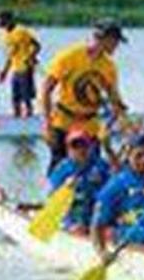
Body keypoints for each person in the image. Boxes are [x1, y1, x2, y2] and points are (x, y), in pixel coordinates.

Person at [39, 20, 128, 173]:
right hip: (63, 122)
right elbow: (46, 90)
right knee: (59, 168)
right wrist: (47, 125)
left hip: (90, 125)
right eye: (115, 42)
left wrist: (123, 121)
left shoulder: (109, 66)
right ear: (104, 38)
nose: (117, 46)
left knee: (93, 170)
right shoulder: (69, 57)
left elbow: (114, 97)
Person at [46, 127, 111, 235]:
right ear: (68, 149)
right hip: (73, 217)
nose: (80, 149)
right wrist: (69, 225)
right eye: (75, 146)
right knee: (77, 228)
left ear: (90, 146)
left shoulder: (101, 165)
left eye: (84, 145)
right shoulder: (61, 170)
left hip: (96, 216)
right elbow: (53, 200)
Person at [0, 10, 41, 118]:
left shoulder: (21, 31)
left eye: (1, 20)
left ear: (9, 20)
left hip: (25, 67)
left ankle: (29, 118)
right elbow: (10, 55)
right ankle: (17, 118)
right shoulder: (5, 35)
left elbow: (37, 45)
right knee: (15, 98)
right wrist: (4, 72)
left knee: (26, 97)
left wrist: (31, 56)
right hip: (16, 69)